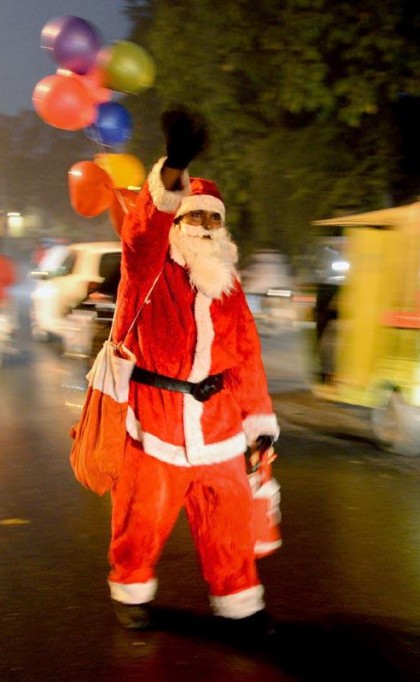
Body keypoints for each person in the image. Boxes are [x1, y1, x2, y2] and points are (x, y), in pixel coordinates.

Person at [104, 107, 279, 633]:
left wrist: (259, 425)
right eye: (194, 217)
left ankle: (240, 602)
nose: (205, 227)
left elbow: (246, 354)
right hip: (155, 422)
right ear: (177, 222)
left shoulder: (229, 282)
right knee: (142, 519)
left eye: (214, 218)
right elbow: (141, 233)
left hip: (220, 428)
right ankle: (131, 586)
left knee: (228, 523)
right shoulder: (147, 269)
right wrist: (174, 167)